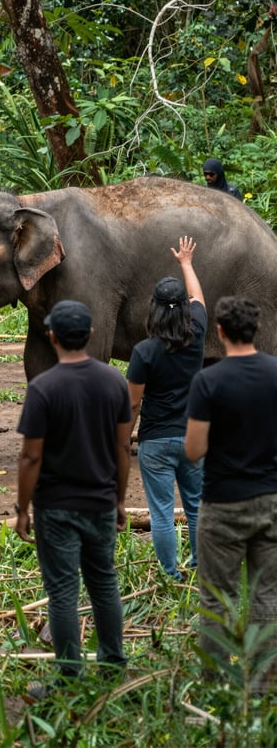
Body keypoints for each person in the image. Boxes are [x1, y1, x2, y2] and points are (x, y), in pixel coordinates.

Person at [15, 300, 132, 695]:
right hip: (100, 501)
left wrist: (23, 507)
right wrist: (118, 499)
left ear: (52, 337)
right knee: (104, 583)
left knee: (63, 590)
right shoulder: (114, 382)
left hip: (56, 506)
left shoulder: (43, 388)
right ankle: (114, 666)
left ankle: (68, 676)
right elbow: (121, 449)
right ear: (92, 335)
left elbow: (31, 455)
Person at [185, 296, 277, 695]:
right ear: (256, 330)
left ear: (219, 332)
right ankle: (262, 684)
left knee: (217, 599)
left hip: (222, 502)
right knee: (267, 594)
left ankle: (215, 682)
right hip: (271, 500)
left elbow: (193, 450)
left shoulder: (208, 382)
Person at [126, 236, 206, 580]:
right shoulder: (198, 332)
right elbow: (199, 298)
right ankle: (201, 564)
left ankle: (170, 573)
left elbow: (133, 401)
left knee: (160, 512)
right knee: (196, 504)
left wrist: (124, 435)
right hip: (192, 436)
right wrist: (186, 263)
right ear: (185, 309)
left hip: (156, 439)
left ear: (153, 308)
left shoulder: (144, 352)